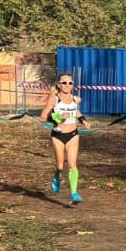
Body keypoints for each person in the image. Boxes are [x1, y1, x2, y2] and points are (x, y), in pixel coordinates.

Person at [39, 73, 88, 206]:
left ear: (73, 85)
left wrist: (83, 121)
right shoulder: (54, 99)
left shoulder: (76, 99)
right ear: (59, 84)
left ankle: (74, 193)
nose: (67, 85)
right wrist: (59, 118)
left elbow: (75, 111)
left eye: (70, 83)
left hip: (73, 134)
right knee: (60, 166)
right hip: (58, 135)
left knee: (72, 165)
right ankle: (57, 175)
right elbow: (43, 117)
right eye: (64, 83)